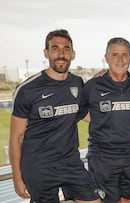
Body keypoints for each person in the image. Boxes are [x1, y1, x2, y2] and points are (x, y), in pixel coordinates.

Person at [9, 29, 101, 203]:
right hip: (39, 167)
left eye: (66, 49)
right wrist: (17, 177)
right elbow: (16, 137)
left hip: (71, 162)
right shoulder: (28, 89)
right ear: (46, 53)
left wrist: (104, 82)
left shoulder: (77, 83)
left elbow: (84, 114)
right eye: (55, 48)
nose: (61, 54)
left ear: (73, 54)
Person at [79, 37, 130, 203]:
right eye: (115, 55)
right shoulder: (92, 86)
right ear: (106, 58)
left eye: (124, 55)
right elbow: (77, 112)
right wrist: (98, 120)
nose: (120, 60)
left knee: (129, 200)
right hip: (102, 157)